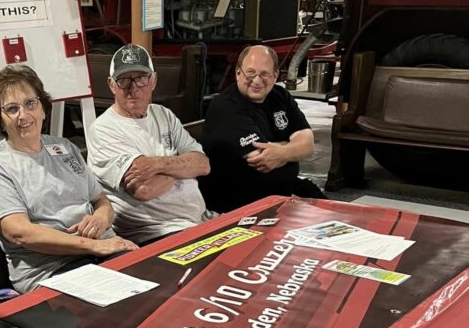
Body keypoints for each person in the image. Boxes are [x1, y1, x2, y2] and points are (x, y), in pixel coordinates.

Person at [0, 65, 136, 293]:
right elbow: (19, 232)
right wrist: (95, 246)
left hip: (102, 252)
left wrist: (101, 218)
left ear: (43, 109)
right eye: (12, 108)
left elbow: (101, 201)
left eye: (30, 103)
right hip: (51, 269)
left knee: (163, 288)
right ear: (0, 120)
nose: (23, 115)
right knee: (125, 303)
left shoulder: (64, 147)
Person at [86, 44, 212, 244]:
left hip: (201, 218)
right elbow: (145, 189)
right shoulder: (103, 129)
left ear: (153, 81)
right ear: (111, 85)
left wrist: (156, 165)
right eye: (124, 80)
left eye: (141, 78)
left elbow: (203, 165)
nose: (133, 88)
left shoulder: (163, 115)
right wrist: (182, 167)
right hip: (158, 232)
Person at [200, 44, 326, 213]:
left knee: (344, 220)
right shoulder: (225, 106)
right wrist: (291, 147)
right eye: (250, 73)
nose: (257, 81)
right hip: (241, 202)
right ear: (238, 73)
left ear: (275, 76)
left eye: (264, 74)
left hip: (283, 191)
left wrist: (280, 151)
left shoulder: (280, 96)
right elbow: (264, 160)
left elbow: (308, 144)